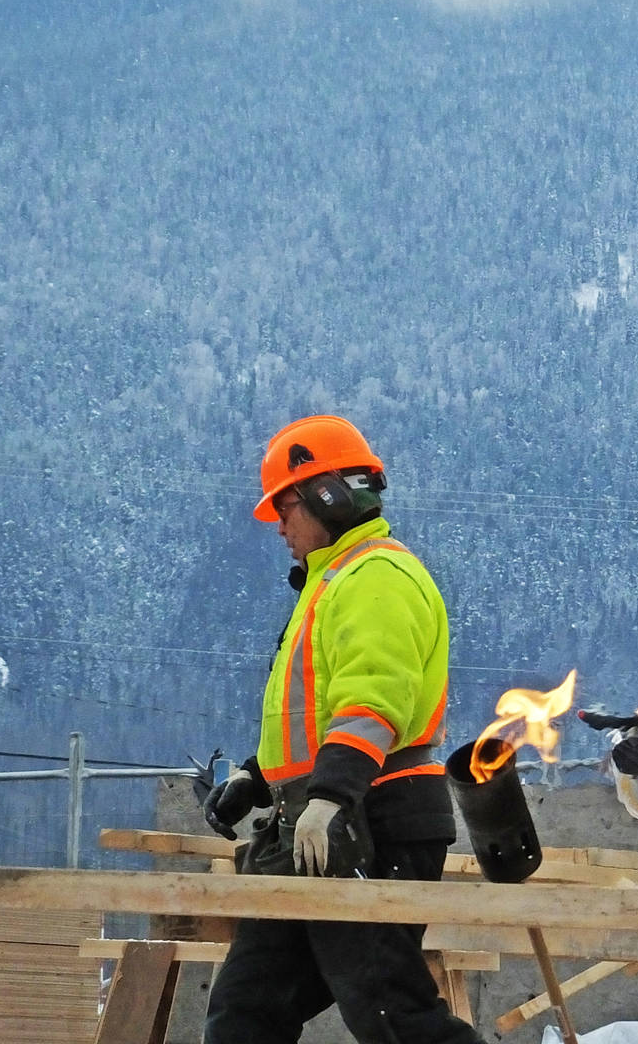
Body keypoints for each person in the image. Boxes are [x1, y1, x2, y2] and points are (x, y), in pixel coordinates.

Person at [199, 415, 479, 1044]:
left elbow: (373, 701)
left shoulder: (376, 577)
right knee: (246, 1012)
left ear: (329, 495)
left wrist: (330, 796)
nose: (279, 526)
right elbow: (314, 715)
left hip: (368, 823)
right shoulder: (331, 582)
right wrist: (259, 775)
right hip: (319, 826)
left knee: (391, 1014)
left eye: (286, 506)